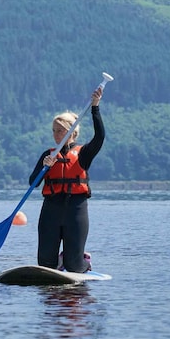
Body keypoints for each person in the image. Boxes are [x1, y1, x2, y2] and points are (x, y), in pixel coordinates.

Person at [30, 87, 105, 273]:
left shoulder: (84, 154)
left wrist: (95, 108)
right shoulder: (48, 155)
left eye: (61, 131)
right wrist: (44, 167)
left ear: (73, 133)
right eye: (54, 131)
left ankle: (82, 262)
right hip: (50, 210)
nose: (56, 135)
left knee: (74, 266)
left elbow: (100, 136)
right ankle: (58, 262)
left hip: (75, 210)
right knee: (45, 264)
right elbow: (33, 182)